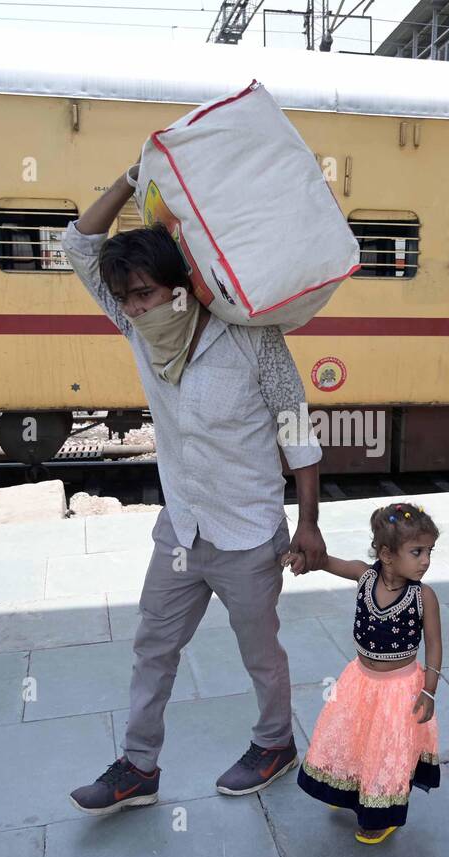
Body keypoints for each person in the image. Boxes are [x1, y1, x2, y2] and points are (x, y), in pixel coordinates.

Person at [65, 160, 327, 815]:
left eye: (145, 293)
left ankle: (275, 744)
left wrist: (309, 522)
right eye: (125, 298)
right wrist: (129, 177)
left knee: (260, 654)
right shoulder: (137, 332)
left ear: (179, 288)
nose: (133, 307)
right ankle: (138, 767)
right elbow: (77, 244)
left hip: (246, 533)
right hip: (180, 528)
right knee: (152, 646)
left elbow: (296, 427)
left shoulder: (249, 338)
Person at [284, 503, 442, 844]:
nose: (426, 560)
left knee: (387, 749)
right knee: (355, 738)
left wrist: (428, 691)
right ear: (386, 554)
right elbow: (324, 562)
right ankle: (349, 792)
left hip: (400, 690)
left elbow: (435, 646)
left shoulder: (423, 596)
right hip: (359, 681)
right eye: (417, 552)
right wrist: (304, 562)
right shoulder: (364, 575)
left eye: (430, 551)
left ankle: (381, 813)